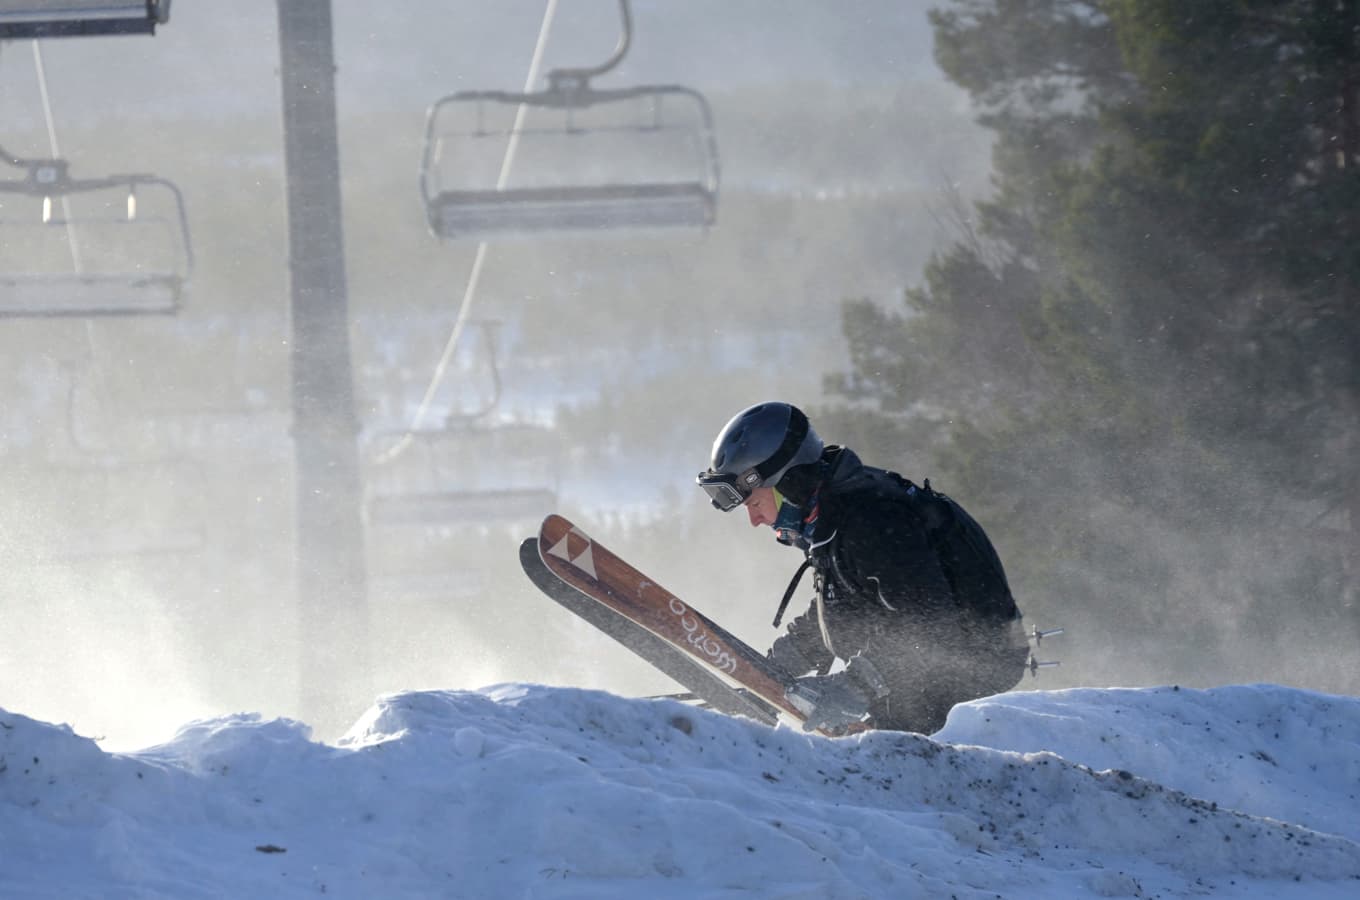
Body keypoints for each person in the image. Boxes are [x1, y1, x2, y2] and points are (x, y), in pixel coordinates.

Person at [696, 401, 1030, 735]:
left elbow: (928, 623)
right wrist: (775, 671)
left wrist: (857, 686)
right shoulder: (837, 515)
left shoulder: (872, 518)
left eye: (754, 503)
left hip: (964, 688)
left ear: (788, 484)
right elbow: (846, 602)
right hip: (925, 686)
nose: (755, 520)